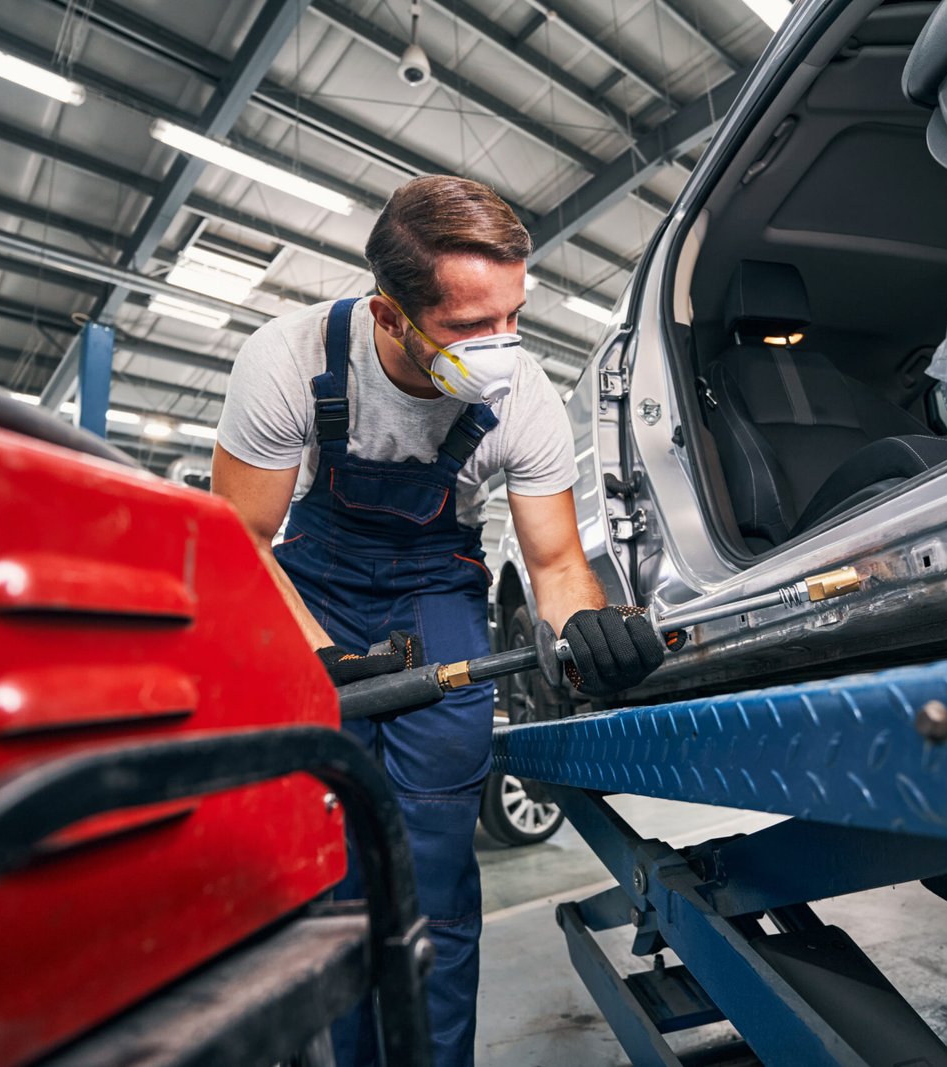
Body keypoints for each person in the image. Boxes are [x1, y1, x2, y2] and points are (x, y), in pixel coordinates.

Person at [211, 174, 664, 1066]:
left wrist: (589, 629)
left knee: (436, 875)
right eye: (468, 327)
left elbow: (558, 565)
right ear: (390, 315)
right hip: (310, 592)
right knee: (332, 867)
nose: (502, 347)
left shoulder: (521, 394)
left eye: (514, 316)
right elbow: (240, 539)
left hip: (436, 594)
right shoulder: (289, 360)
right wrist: (321, 655)